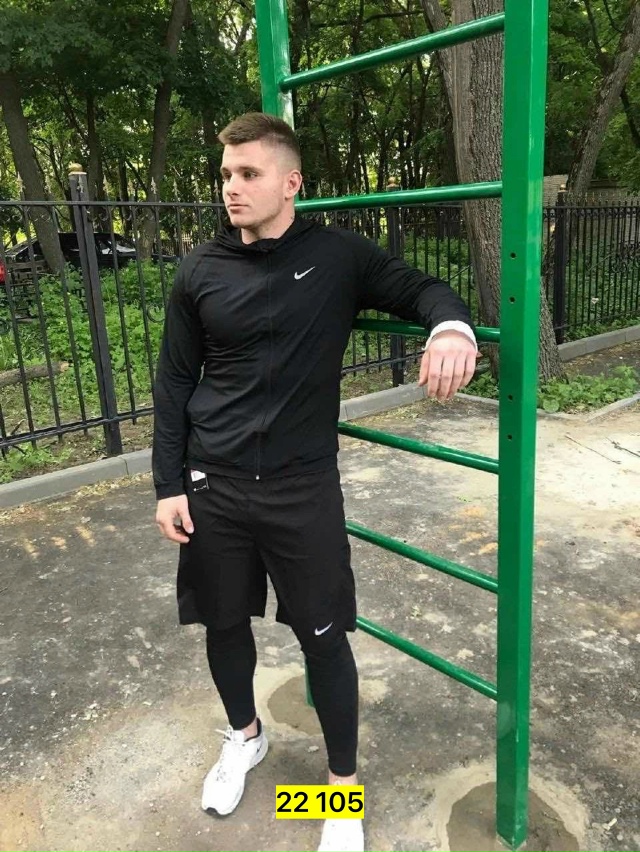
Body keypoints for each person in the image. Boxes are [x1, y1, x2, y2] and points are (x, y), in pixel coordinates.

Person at [152, 112, 478, 852]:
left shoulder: (337, 257)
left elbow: (426, 289)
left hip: (301, 487)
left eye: (249, 173)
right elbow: (173, 382)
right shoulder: (200, 269)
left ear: (291, 181)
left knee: (323, 637)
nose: (231, 187)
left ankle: (338, 794)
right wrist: (168, 484)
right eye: (226, 174)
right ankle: (245, 737)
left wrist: (450, 330)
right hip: (213, 483)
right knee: (223, 623)